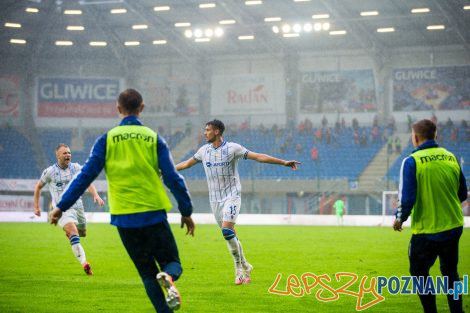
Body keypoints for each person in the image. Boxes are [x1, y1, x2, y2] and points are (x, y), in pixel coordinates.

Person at [49, 89, 195, 312]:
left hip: (124, 219)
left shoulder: (106, 140)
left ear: (118, 109)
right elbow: (174, 178)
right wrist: (186, 210)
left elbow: (84, 177)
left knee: (147, 273)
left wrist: (60, 207)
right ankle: (168, 276)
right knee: (172, 263)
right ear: (142, 108)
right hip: (153, 212)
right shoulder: (154, 138)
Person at [175, 119, 300, 285]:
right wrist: (168, 170)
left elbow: (259, 157)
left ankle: (239, 270)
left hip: (232, 196)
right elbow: (186, 164)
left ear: (217, 131)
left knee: (227, 231)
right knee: (230, 235)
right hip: (215, 200)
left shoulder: (233, 148)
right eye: (205, 130)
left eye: (208, 130)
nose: (205, 133)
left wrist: (283, 162)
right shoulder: (203, 151)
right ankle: (246, 265)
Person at [393, 119, 467, 313]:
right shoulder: (451, 157)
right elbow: (462, 193)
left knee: (418, 272)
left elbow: (406, 197)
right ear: (436, 135)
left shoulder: (412, 162)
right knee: (451, 272)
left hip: (426, 230)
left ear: (415, 138)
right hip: (453, 226)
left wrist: (400, 218)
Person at [33, 143, 105, 275]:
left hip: (78, 205)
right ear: (58, 155)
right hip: (62, 209)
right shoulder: (50, 172)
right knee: (74, 233)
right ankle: (85, 264)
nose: (68, 155)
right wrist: (36, 207)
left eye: (69, 153)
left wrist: (95, 195)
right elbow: (38, 187)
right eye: (65, 153)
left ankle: (71, 234)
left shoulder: (76, 167)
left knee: (82, 233)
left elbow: (87, 181)